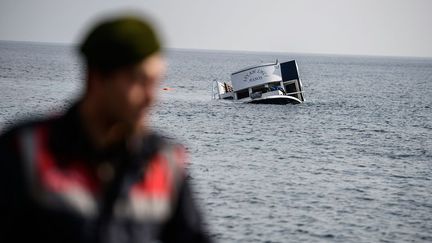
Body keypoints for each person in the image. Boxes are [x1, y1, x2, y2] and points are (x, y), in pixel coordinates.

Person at [0, 14, 212, 243]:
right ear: (96, 78)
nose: (151, 97)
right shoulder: (27, 150)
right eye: (139, 81)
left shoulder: (164, 162)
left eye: (155, 82)